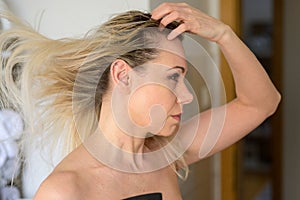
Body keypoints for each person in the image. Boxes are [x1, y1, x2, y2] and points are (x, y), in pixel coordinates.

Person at [0, 2, 280, 200]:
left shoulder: (168, 155)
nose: (187, 95)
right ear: (123, 75)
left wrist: (223, 34)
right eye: (173, 77)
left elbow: (262, 103)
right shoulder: (64, 192)